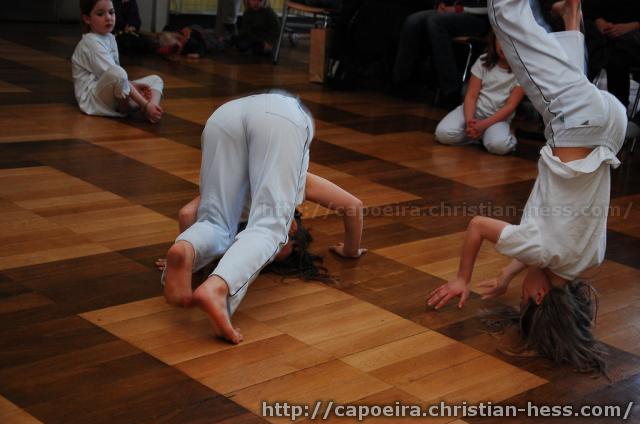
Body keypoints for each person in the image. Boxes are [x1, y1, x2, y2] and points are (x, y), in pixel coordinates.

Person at [426, 0, 627, 376]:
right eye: (524, 300)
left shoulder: (586, 261)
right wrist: (462, 278)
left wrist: (507, 274)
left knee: (569, 75)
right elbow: (478, 227)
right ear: (539, 295)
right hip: (576, 124)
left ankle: (571, 15)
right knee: (504, 15)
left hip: (610, 124)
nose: (520, 295)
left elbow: (545, 250)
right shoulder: (542, 250)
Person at [161, 92, 367, 344]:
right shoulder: (294, 187)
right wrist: (350, 251)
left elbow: (186, 214)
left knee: (214, 222)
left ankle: (188, 251)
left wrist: (190, 256)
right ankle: (217, 288)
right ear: (294, 227)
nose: (279, 247)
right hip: (278, 114)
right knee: (269, 229)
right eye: (287, 242)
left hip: (223, 117)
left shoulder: (240, 210)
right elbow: (353, 206)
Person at [72, 0, 164, 122]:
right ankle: (139, 107)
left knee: (156, 80)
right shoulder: (90, 43)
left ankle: (152, 109)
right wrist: (144, 103)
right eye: (100, 14)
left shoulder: (110, 37)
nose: (108, 18)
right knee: (119, 73)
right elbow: (116, 75)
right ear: (87, 19)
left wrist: (131, 85)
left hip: (109, 91)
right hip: (94, 101)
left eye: (111, 12)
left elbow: (117, 79)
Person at [435, 31, 525, 155]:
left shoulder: (523, 72)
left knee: (500, 146)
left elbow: (510, 106)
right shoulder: (483, 61)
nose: (503, 46)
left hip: (497, 119)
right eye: (500, 40)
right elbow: (471, 96)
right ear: (494, 40)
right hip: (472, 112)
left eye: (510, 42)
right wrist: (470, 122)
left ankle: (504, 135)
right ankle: (478, 136)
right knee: (443, 133)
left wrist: (483, 125)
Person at [392, 0, 489, 107]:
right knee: (412, 21)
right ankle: (402, 81)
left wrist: (460, 9)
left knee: (435, 22)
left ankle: (451, 89)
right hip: (452, 10)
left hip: (479, 17)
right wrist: (442, 4)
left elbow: (492, 7)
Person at [582, 0, 640, 109]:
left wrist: (630, 27)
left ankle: (618, 107)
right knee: (589, 48)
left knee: (617, 56)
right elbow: (589, 7)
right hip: (603, 32)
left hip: (632, 34)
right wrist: (598, 21)